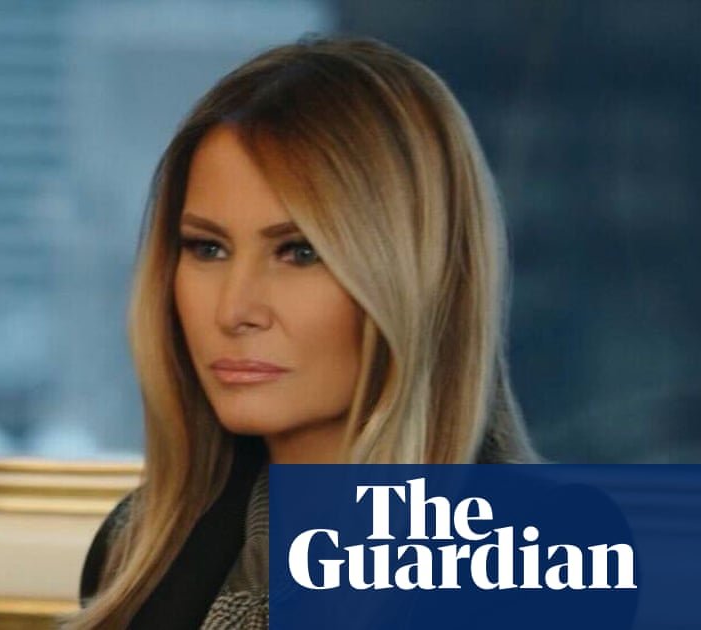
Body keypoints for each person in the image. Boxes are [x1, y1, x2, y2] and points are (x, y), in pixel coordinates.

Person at [64, 36, 539, 629]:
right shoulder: (135, 552)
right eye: (207, 248)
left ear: (416, 278)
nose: (234, 310)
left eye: (300, 252)